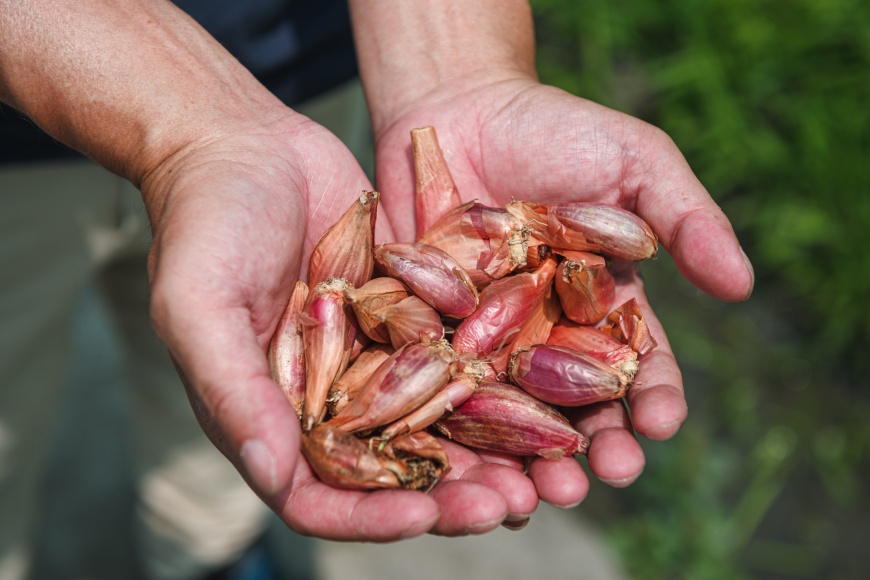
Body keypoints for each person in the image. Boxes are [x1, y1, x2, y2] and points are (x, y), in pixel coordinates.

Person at [0, 0, 755, 578]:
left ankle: (214, 552)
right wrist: (189, 129)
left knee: (237, 418)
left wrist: (458, 68)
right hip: (17, 139)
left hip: (294, 83)